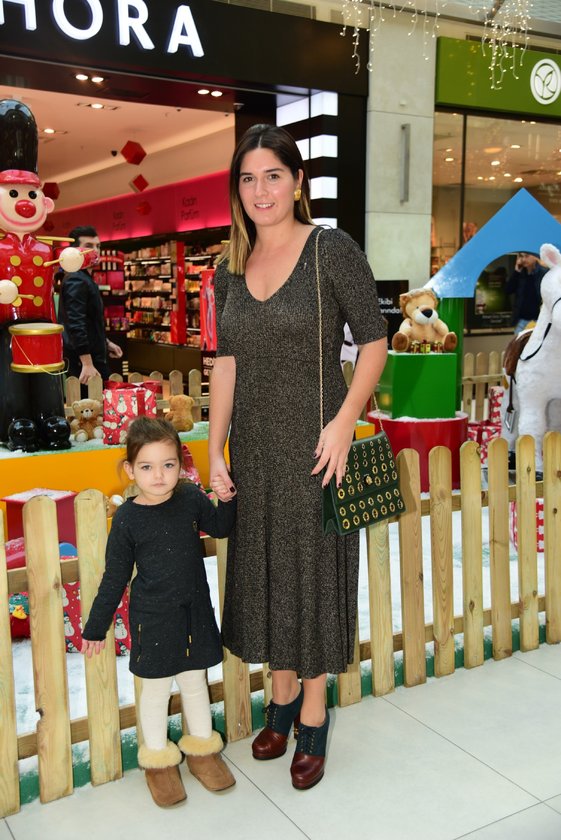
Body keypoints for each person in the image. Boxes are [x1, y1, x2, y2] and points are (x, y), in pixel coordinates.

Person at [209, 124, 387, 790]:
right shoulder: (229, 265)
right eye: (248, 178)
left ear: (297, 181)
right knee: (266, 575)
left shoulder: (329, 250)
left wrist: (345, 422)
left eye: (273, 176)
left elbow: (373, 341)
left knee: (310, 577)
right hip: (254, 449)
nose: (260, 191)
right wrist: (215, 448)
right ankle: (279, 697)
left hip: (317, 446)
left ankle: (312, 713)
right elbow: (226, 363)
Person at [81, 416, 237, 807]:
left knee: (195, 682)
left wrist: (227, 497)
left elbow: (220, 528)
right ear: (130, 470)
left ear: (180, 465)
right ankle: (158, 762)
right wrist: (96, 627)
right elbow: (115, 577)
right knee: (155, 691)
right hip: (152, 619)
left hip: (193, 613)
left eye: (168, 465)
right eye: (147, 467)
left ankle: (203, 751)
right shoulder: (127, 519)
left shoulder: (190, 498)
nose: (159, 475)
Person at [58, 225, 123, 386]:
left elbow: (90, 321)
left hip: (91, 358)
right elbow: (76, 323)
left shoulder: (83, 277)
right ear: (75, 250)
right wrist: (86, 363)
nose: (95, 250)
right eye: (89, 246)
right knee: (92, 401)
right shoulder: (77, 279)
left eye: (98, 246)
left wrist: (106, 343)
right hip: (85, 363)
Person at [506, 251, 547, 334]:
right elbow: (508, 290)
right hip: (522, 320)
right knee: (518, 342)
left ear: (535, 257)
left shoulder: (543, 273)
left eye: (527, 256)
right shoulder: (519, 274)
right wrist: (516, 272)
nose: (524, 259)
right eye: (521, 256)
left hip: (539, 320)